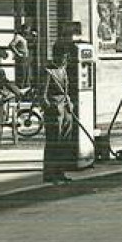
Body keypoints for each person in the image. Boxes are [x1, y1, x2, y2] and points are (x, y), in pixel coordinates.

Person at [39, 41, 76, 184]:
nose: (65, 60)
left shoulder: (63, 70)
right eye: (63, 57)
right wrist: (49, 107)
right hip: (55, 110)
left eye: (66, 57)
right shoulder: (48, 71)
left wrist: (69, 102)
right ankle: (50, 173)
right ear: (56, 56)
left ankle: (60, 171)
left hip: (66, 109)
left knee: (64, 142)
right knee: (54, 142)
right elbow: (42, 94)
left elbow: (66, 90)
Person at [9, 25, 33, 93]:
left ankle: (25, 94)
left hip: (26, 59)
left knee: (26, 76)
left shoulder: (24, 38)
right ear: (23, 30)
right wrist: (18, 54)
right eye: (27, 30)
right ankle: (19, 93)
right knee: (21, 77)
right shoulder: (18, 37)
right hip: (21, 59)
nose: (28, 31)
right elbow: (11, 45)